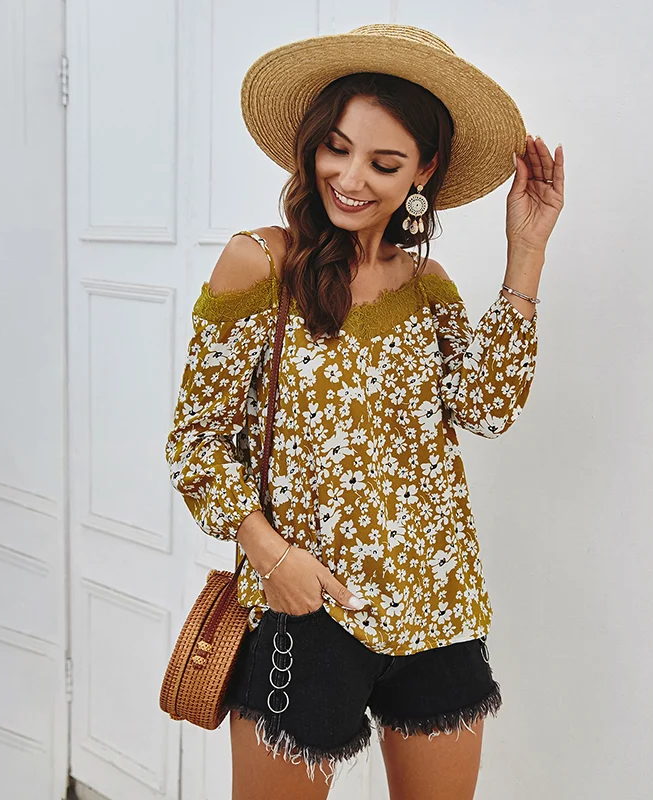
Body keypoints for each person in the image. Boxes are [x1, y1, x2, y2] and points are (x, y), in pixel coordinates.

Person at [165, 23, 564, 800]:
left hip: (438, 606)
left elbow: (488, 409)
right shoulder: (261, 262)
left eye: (384, 163)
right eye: (336, 149)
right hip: (306, 609)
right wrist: (273, 560)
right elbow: (197, 441)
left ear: (424, 170)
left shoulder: (428, 284)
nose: (350, 178)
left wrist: (527, 253)